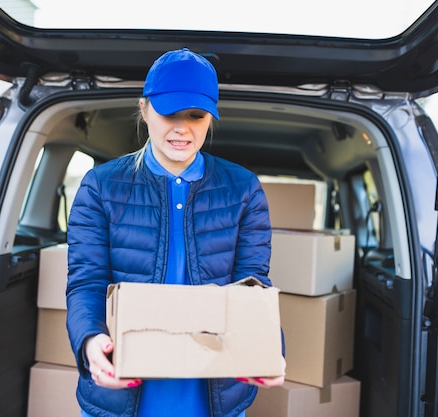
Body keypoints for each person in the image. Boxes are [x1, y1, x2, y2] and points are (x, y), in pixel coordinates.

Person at [66, 48, 284, 417]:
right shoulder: (101, 186)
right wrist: (90, 342)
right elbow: (87, 282)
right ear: (145, 108)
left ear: (210, 118)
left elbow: (252, 285)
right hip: (124, 387)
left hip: (212, 390)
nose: (182, 128)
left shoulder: (242, 188)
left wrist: (268, 348)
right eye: (169, 113)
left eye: (195, 115)